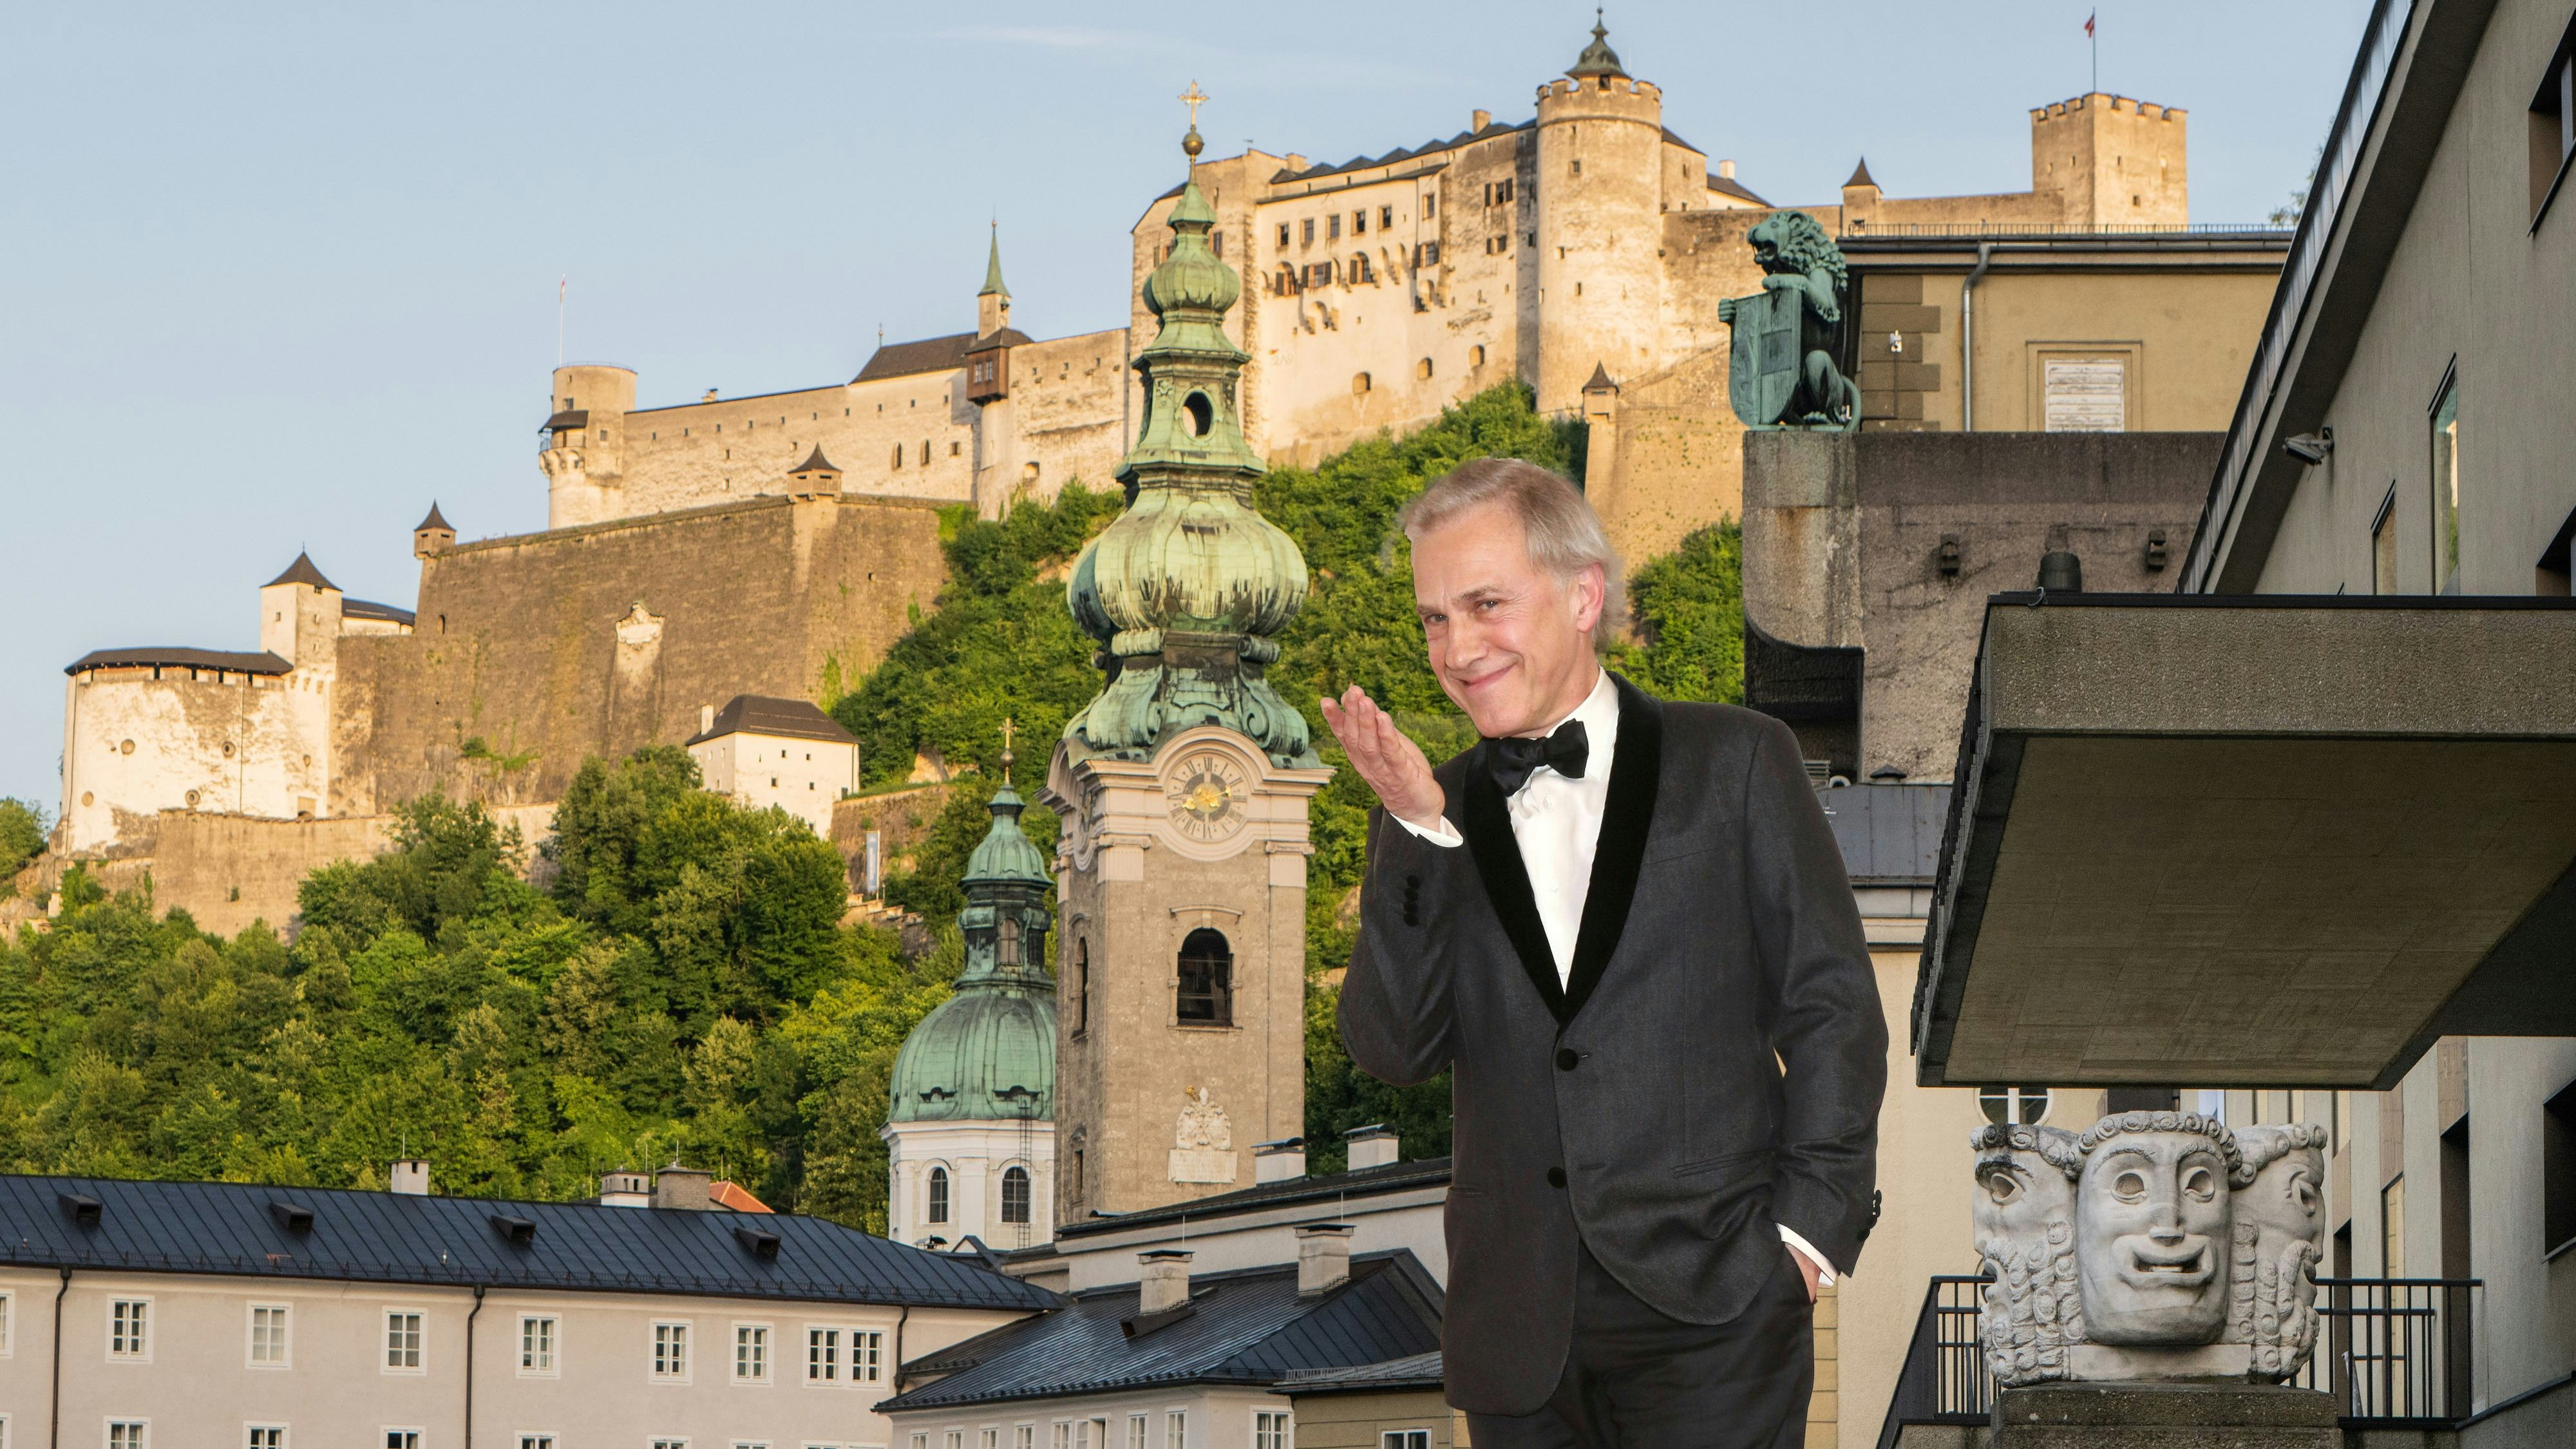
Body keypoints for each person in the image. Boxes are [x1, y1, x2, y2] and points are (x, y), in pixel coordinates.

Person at [1324, 459, 1886, 1449]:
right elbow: (1392, 1049)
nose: (1456, 647)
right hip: (1518, 1334)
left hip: (1718, 1308)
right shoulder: (1430, 810)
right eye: (1434, 619)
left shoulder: (1740, 761)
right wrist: (1413, 828)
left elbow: (1834, 1005)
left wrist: (1803, 1240)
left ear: (1583, 594)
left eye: (1485, 603)